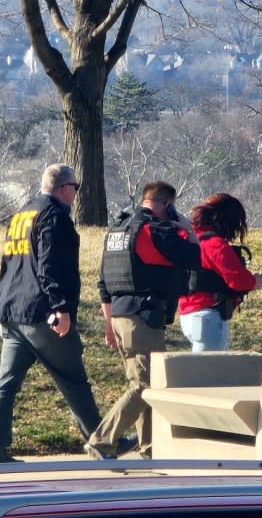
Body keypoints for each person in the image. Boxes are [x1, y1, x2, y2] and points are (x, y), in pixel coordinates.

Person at [0, 163, 101, 464]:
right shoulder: (55, 216)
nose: (76, 193)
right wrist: (60, 306)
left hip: (12, 310)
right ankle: (103, 442)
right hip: (42, 312)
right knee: (73, 378)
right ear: (63, 188)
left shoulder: (23, 213)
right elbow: (50, 264)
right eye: (75, 187)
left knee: (6, 382)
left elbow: (10, 264)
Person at [85, 181, 201, 460]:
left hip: (120, 315)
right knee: (145, 384)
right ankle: (101, 442)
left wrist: (108, 321)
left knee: (146, 381)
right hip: (143, 316)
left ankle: (150, 447)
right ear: (166, 204)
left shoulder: (118, 231)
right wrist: (187, 228)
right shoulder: (155, 230)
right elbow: (193, 258)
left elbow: (104, 282)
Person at [178, 193, 262, 352]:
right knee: (212, 373)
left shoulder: (187, 236)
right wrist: (257, 280)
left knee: (201, 370)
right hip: (208, 316)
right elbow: (238, 280)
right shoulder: (215, 244)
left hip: (187, 314)